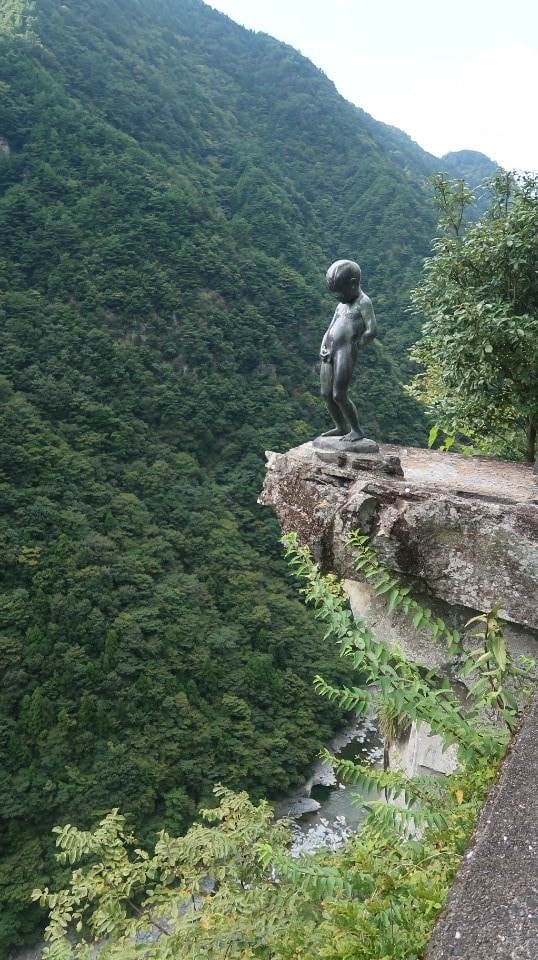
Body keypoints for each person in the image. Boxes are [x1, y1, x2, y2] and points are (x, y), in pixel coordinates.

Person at [319, 259, 377, 442]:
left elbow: (372, 330)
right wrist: (323, 344)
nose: (337, 297)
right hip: (329, 351)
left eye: (340, 292)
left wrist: (357, 345)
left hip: (346, 350)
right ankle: (340, 426)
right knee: (326, 393)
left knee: (339, 394)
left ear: (353, 284)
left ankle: (356, 430)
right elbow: (330, 328)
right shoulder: (340, 305)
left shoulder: (363, 302)